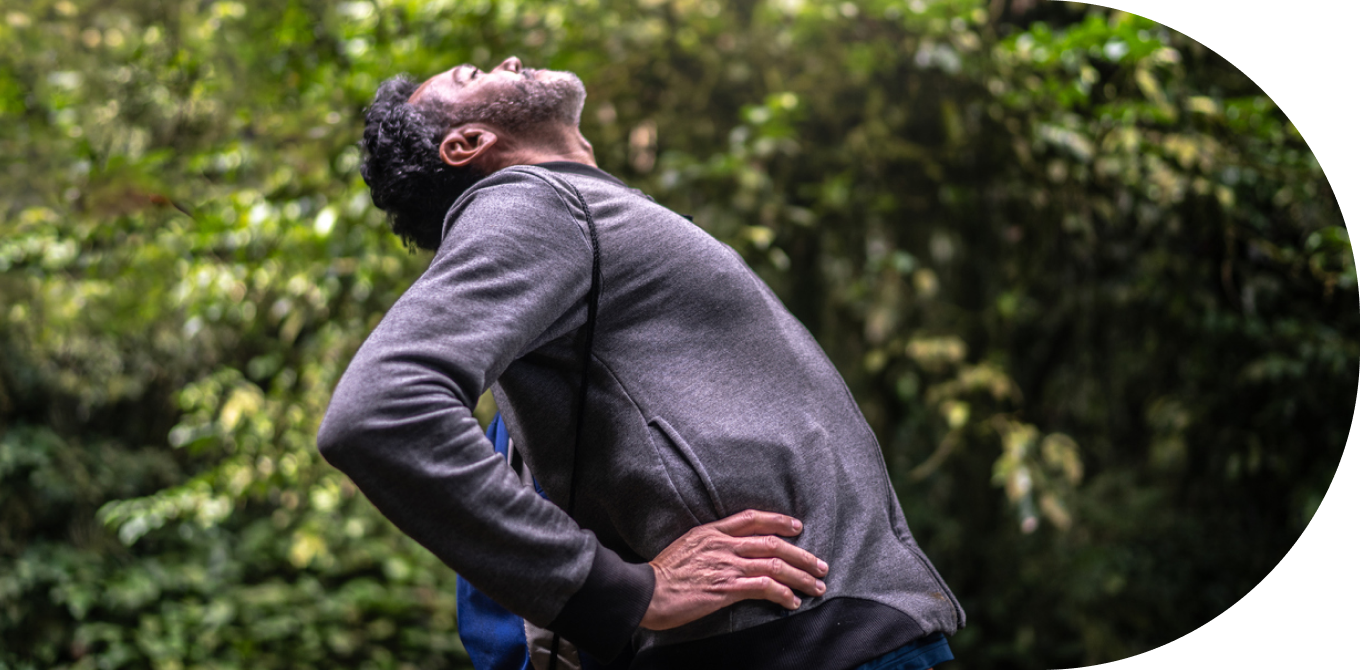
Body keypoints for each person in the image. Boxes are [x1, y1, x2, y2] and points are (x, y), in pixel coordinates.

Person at [316, 56, 964, 670]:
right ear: (468, 144)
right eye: (473, 75)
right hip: (804, 641)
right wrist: (624, 593)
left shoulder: (583, 234)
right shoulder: (536, 204)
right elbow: (380, 412)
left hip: (828, 630)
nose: (507, 62)